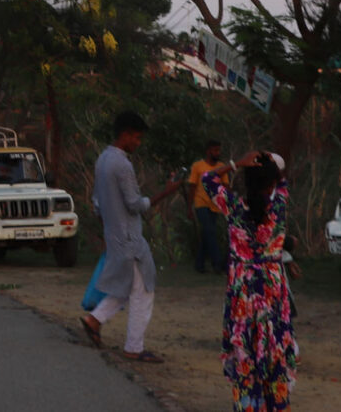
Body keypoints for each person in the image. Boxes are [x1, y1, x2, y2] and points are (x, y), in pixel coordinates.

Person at [79, 110, 179, 363]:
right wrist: (166, 192)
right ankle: (134, 347)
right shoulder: (122, 164)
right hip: (130, 239)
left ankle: (94, 320)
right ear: (125, 135)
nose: (138, 142)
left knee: (125, 287)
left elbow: (97, 203)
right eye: (136, 137)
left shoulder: (102, 159)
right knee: (144, 290)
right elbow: (135, 204)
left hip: (114, 236)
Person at [203, 151, 298, 411]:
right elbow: (282, 179)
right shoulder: (279, 206)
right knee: (274, 357)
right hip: (272, 293)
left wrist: (236, 163)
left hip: (243, 295)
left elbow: (207, 178)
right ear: (273, 183)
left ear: (246, 180)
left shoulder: (233, 207)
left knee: (246, 357)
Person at [184, 140, 230, 274]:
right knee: (210, 231)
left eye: (219, 150)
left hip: (215, 205)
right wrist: (189, 207)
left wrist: (230, 202)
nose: (218, 153)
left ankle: (199, 264)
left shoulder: (222, 167)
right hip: (201, 203)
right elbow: (192, 186)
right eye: (215, 150)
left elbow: (226, 186)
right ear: (208, 151)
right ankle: (217, 263)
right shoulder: (197, 166)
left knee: (207, 234)